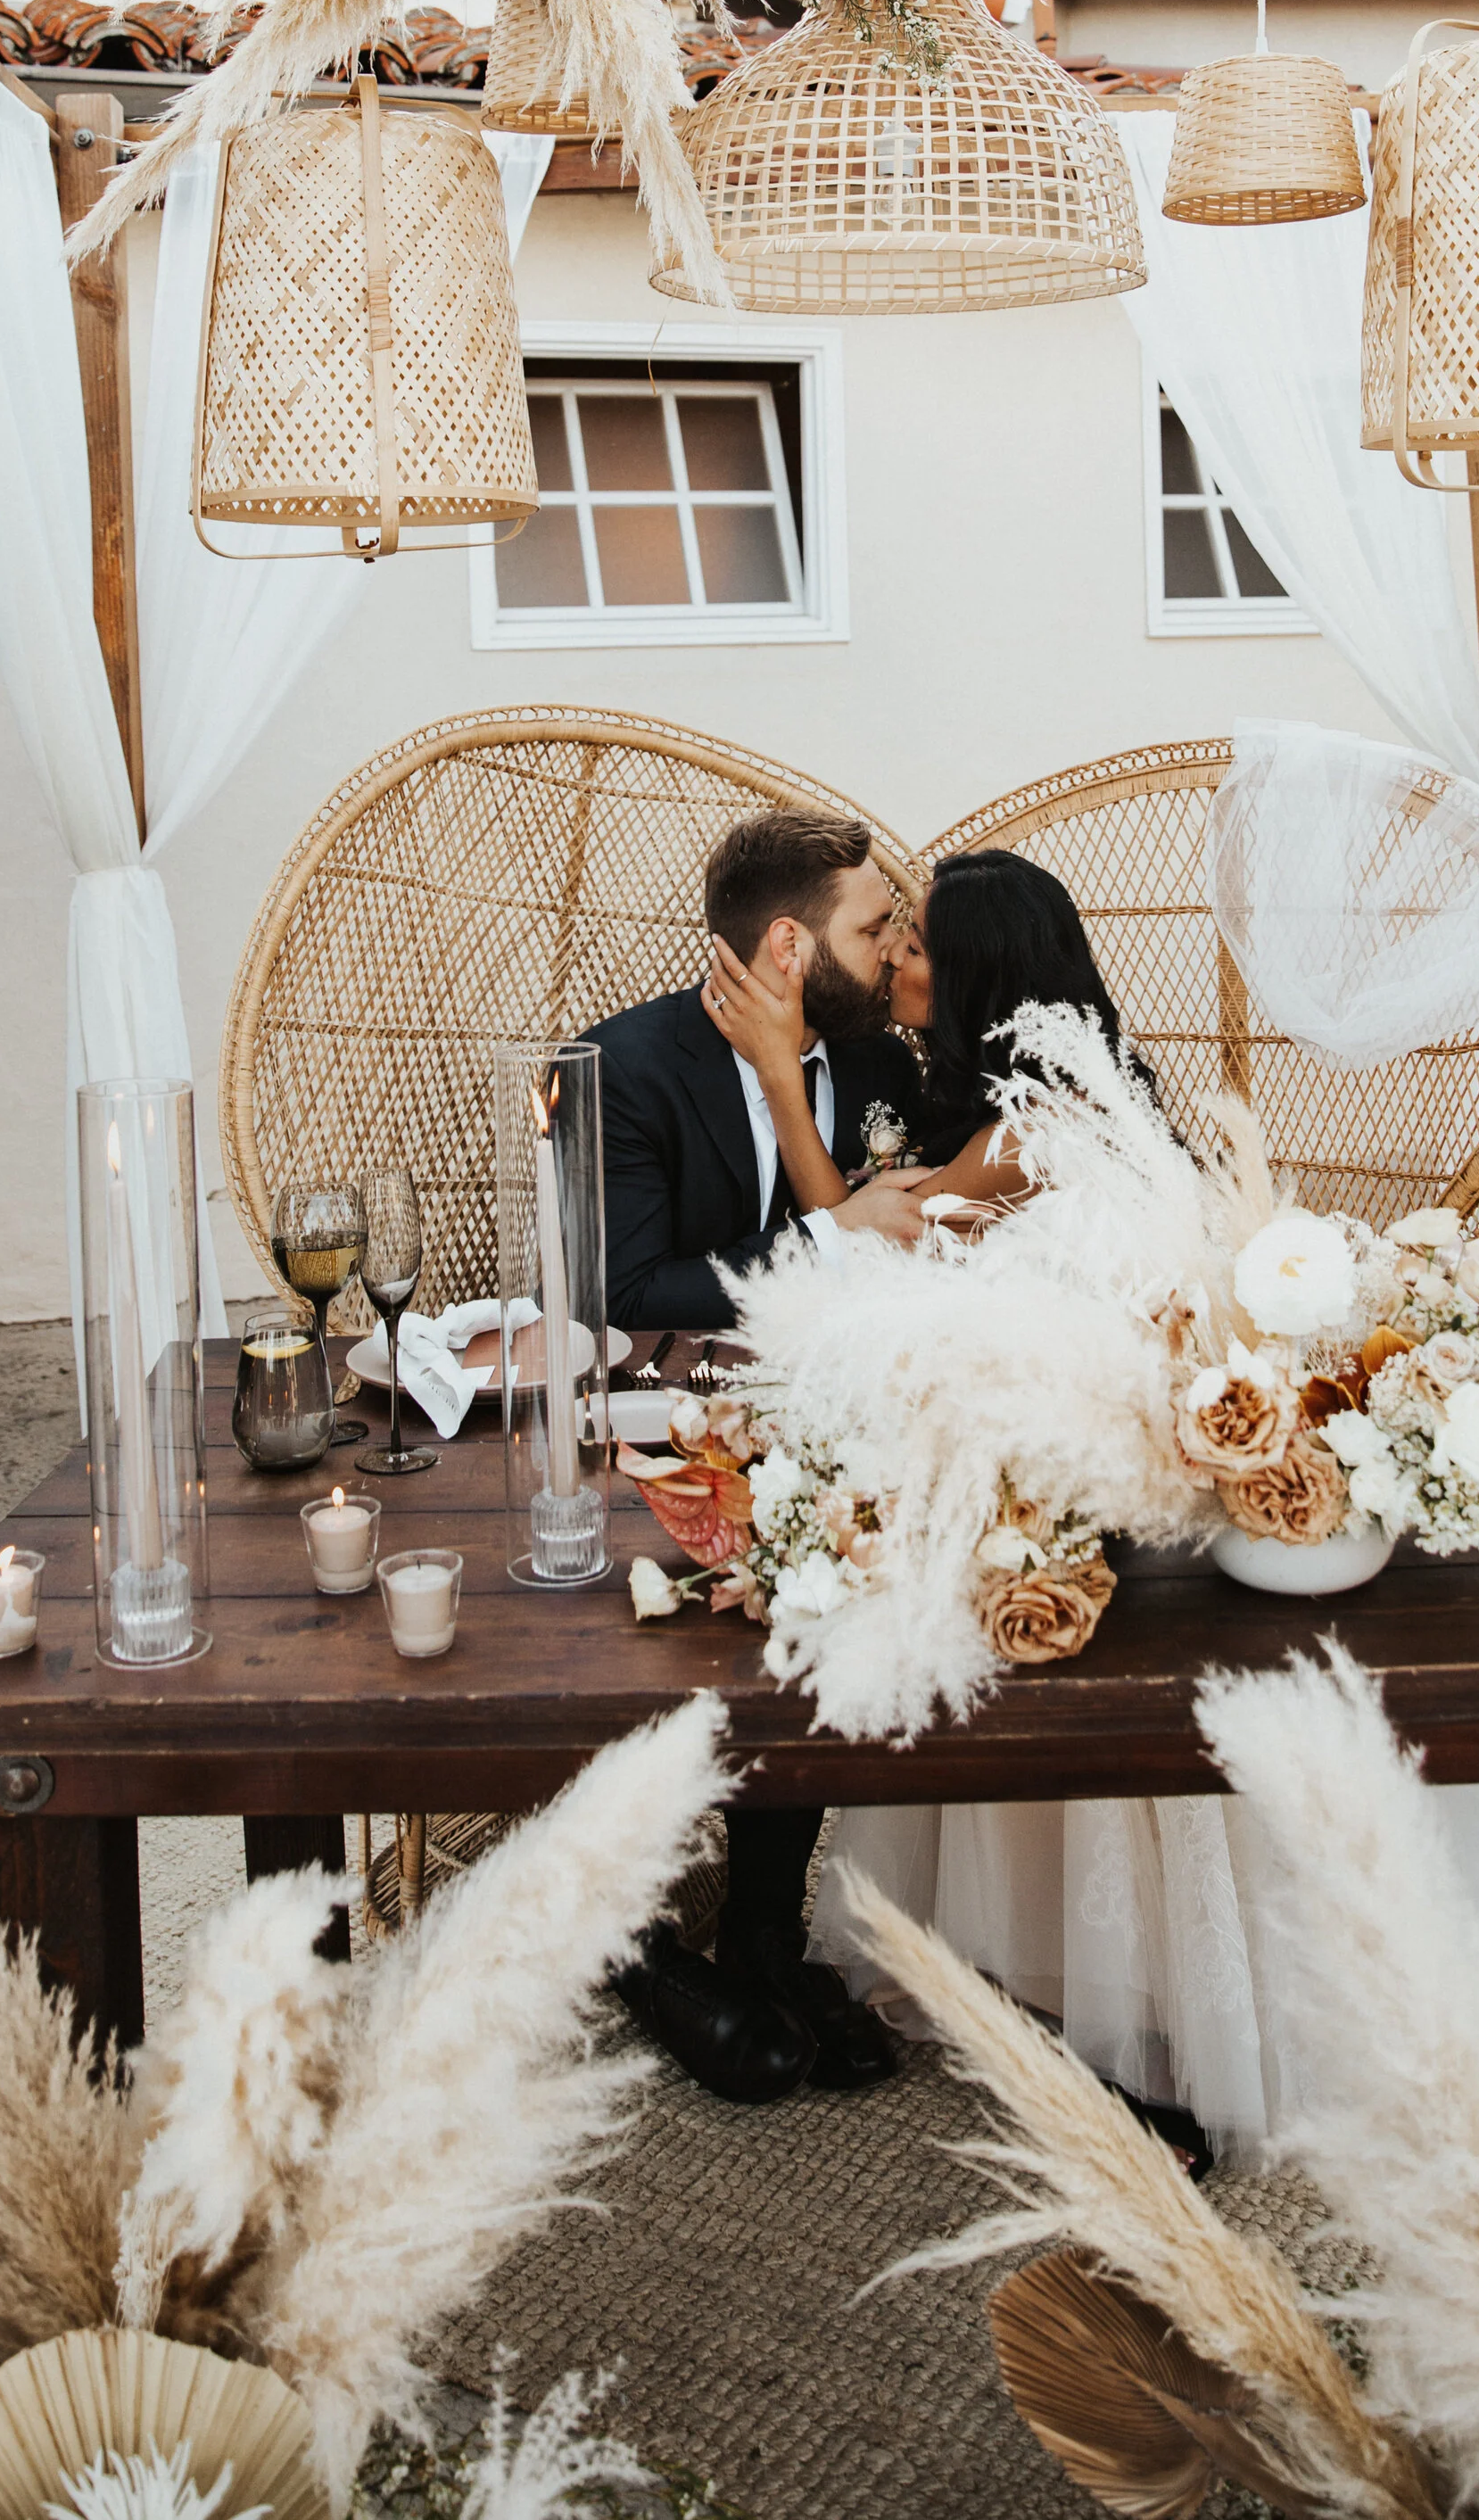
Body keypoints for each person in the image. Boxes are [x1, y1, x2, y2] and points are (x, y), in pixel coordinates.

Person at [767, 849, 1479, 2174]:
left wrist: (782, 1073)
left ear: (985, 976)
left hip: (1117, 1505)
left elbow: (859, 1229)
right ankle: (1093, 1988)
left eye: (922, 949)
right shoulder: (1068, 1090)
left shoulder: (1032, 1123)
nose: (898, 964)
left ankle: (1138, 2023)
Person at [583, 809, 930, 2110]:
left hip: (835, 1435)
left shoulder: (878, 1066)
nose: (894, 948)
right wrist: (840, 1247)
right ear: (791, 946)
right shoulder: (628, 1064)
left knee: (849, 1581)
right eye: (873, 925)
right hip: (661, 1442)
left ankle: (768, 1935)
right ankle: (646, 1939)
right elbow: (628, 1284)